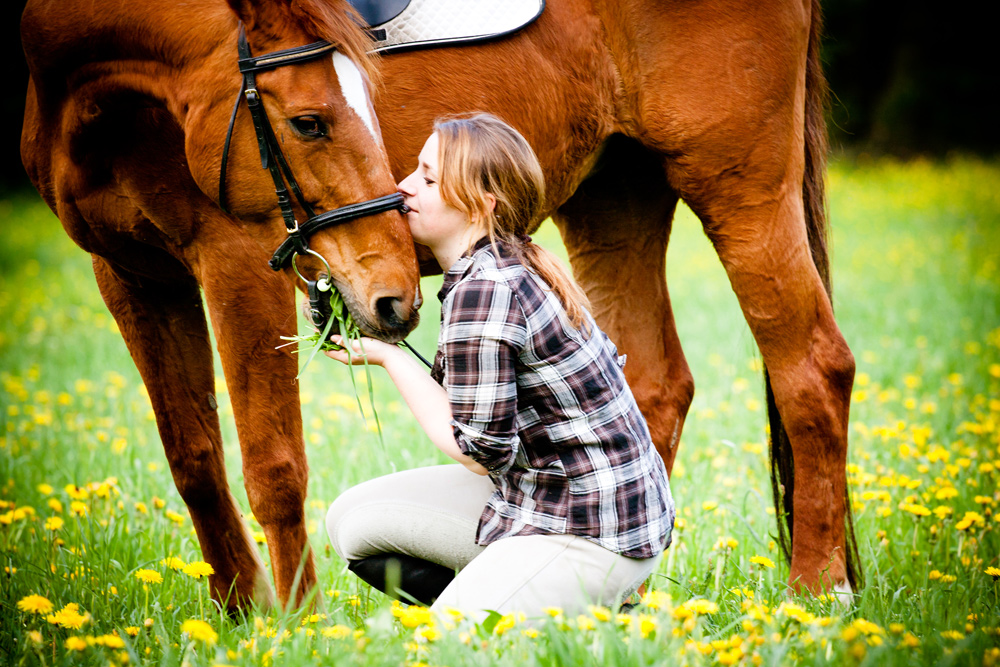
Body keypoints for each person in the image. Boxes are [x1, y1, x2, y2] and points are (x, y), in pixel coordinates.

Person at [324, 113, 674, 618]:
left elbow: (478, 452)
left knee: (452, 644)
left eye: (426, 178)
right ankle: (521, 588)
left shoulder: (485, 290)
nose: (403, 188)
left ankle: (571, 603)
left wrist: (390, 358)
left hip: (593, 529)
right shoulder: (501, 262)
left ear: (481, 205)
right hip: (543, 494)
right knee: (353, 521)